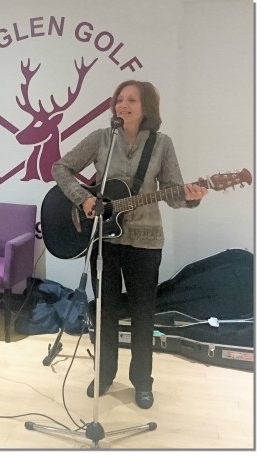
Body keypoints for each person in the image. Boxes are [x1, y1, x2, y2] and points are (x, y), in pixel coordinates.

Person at [52, 80, 207, 409]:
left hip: (146, 241)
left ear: (146, 106)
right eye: (119, 99)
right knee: (105, 311)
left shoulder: (162, 145)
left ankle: (142, 382)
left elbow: (174, 193)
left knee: (142, 315)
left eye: (131, 99)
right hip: (103, 239)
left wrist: (191, 197)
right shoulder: (101, 138)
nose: (123, 104)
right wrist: (84, 200)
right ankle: (105, 373)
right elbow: (60, 167)